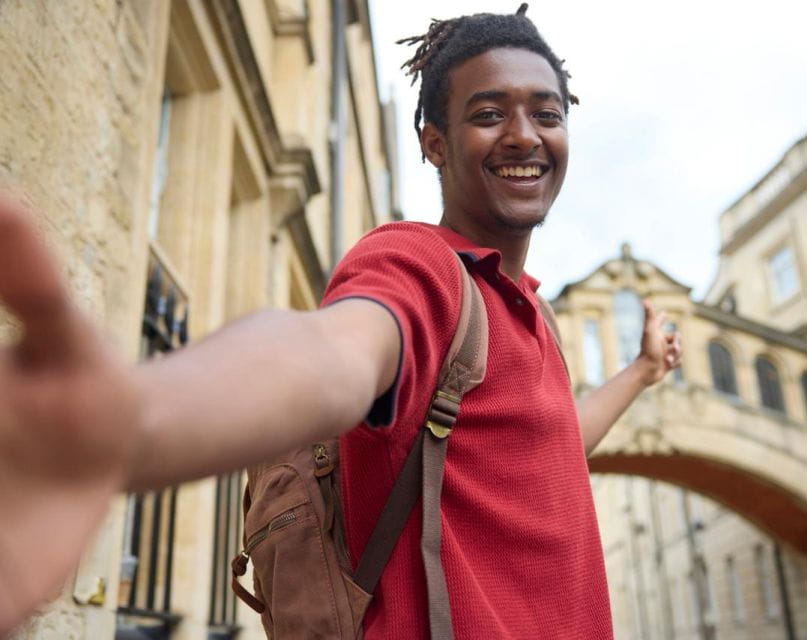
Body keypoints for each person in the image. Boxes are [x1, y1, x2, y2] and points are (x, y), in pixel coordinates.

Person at [0, 5, 682, 638]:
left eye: (546, 113)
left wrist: (641, 373)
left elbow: (550, 447)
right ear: (434, 143)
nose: (523, 135)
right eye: (488, 113)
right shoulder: (420, 264)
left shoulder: (531, 310)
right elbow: (330, 356)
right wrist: (136, 418)